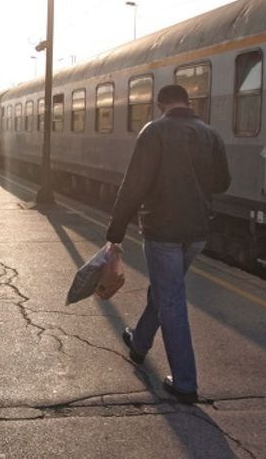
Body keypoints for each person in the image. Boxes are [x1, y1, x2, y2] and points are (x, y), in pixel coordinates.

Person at [104, 84, 230, 405]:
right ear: (188, 103)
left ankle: (185, 382)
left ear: (161, 104)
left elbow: (134, 185)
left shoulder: (155, 131)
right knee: (165, 290)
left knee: (171, 298)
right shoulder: (210, 134)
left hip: (163, 231)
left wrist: (115, 233)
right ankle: (139, 342)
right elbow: (223, 182)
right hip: (197, 232)